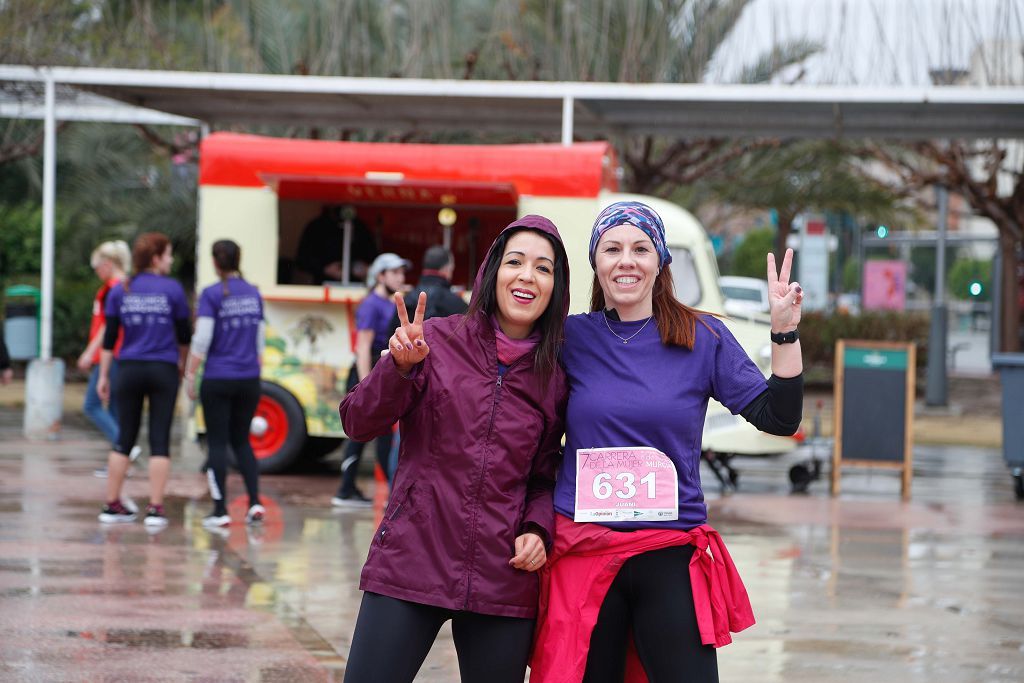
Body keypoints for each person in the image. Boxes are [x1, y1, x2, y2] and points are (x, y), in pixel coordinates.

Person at [530, 201, 804, 683]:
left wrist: (784, 332)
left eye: (640, 248)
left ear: (661, 260)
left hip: (670, 551)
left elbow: (779, 418)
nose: (626, 260)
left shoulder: (702, 336)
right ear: (596, 262)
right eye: (611, 249)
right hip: (585, 551)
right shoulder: (568, 337)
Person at [338, 215, 569, 683]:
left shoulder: (556, 376)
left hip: (501, 577)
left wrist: (537, 529)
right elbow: (357, 422)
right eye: (516, 262)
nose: (527, 276)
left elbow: (546, 474)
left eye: (544, 268)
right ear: (491, 272)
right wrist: (397, 370)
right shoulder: (435, 341)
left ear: (555, 288)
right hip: (411, 558)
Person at [96, 233, 191, 529]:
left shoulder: (121, 289)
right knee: (159, 439)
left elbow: (110, 339)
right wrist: (183, 365)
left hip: (128, 370)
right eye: (168, 254)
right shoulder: (173, 290)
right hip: (163, 369)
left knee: (124, 437)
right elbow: (184, 336)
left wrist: (102, 376)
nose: (171, 259)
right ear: (155, 258)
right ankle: (155, 509)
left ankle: (112, 505)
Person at [184, 239, 266, 529]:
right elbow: (259, 343)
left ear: (215, 262)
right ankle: (255, 503)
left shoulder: (210, 294)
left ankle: (220, 511)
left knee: (217, 444)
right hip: (248, 379)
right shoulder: (254, 293)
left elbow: (202, 339)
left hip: (218, 378)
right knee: (242, 441)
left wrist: (190, 374)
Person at [332, 252, 411, 507]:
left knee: (382, 438)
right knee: (359, 437)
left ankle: (353, 490)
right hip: (366, 375)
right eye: (395, 273)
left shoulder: (392, 302)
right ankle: (345, 490)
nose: (401, 277)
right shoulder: (370, 305)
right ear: (380, 276)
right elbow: (363, 346)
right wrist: (367, 384)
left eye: (402, 272)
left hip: (381, 375)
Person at [383, 245, 469, 478]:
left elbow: (389, 340)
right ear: (447, 269)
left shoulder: (407, 300)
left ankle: (395, 498)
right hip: (447, 388)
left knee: (402, 442)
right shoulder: (457, 305)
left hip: (407, 380)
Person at [76, 241, 142, 478]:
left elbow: (107, 327)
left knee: (92, 405)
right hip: (123, 353)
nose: (97, 273)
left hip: (112, 353)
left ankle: (124, 446)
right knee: (114, 409)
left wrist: (89, 352)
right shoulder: (127, 286)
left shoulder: (113, 289)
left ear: (107, 264)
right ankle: (119, 461)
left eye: (97, 268)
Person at [295, 205, 378, 285]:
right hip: (323, 286)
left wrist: (366, 268)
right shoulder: (316, 227)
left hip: (356, 286)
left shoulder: (360, 227)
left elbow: (373, 258)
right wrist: (324, 269)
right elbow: (302, 259)